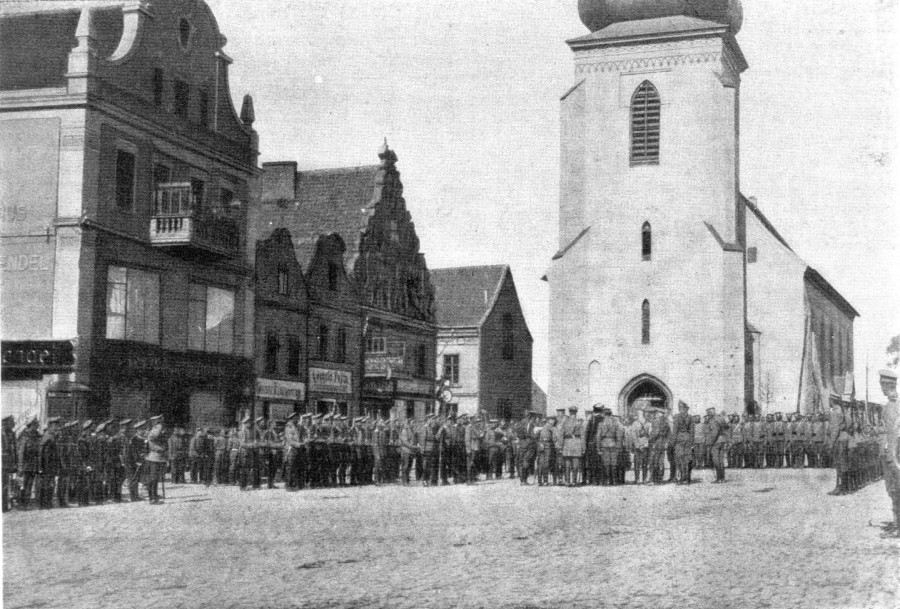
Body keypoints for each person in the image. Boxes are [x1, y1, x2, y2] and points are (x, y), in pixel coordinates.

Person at [878, 369, 900, 537]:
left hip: (894, 455)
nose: (881, 388)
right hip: (894, 453)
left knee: (895, 489)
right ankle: (896, 524)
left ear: (887, 385)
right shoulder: (895, 404)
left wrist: (892, 457)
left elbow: (894, 433)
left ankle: (898, 527)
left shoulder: (892, 406)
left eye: (882, 384)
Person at [36, 417, 61, 509]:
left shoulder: (52, 436)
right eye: (55, 425)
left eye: (57, 425)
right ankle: (44, 504)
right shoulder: (48, 436)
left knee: (50, 484)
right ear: (50, 426)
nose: (57, 427)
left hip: (51, 465)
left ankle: (47, 503)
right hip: (47, 466)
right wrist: (42, 467)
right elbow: (43, 453)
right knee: (46, 484)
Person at [828, 399, 850, 495]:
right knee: (843, 463)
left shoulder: (834, 412)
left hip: (838, 440)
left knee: (839, 463)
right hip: (845, 438)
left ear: (832, 400)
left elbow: (835, 428)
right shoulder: (844, 411)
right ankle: (845, 487)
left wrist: (832, 442)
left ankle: (840, 487)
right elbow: (849, 423)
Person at [143, 415, 167, 504]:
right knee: (153, 478)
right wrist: (160, 427)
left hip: (157, 456)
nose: (160, 422)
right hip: (155, 457)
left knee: (155, 478)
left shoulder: (155, 429)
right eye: (159, 421)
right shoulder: (155, 430)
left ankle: (154, 496)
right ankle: (152, 498)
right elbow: (155, 436)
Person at [17, 418, 41, 508]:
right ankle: (21, 503)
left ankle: (26, 503)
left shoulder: (37, 436)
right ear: (31, 425)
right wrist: (20, 467)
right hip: (25, 465)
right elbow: (21, 453)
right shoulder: (24, 436)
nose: (37, 426)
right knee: (23, 485)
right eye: (35, 424)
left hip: (33, 465)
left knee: (30, 485)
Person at [673, 402, 695, 484]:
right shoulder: (690, 417)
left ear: (680, 408)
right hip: (688, 438)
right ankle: (687, 478)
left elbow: (675, 431)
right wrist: (692, 442)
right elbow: (692, 431)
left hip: (679, 439)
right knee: (687, 459)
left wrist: (673, 443)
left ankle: (682, 478)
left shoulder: (677, 417)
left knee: (680, 459)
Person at [561, 406, 583, 487]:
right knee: (575, 464)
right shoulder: (579, 422)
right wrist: (583, 448)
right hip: (577, 443)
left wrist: (560, 446)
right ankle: (574, 481)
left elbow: (561, 435)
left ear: (569, 413)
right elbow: (583, 436)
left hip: (567, 444)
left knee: (567, 464)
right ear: (576, 413)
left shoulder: (565, 422)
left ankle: (567, 481)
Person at [706, 408, 730, 483]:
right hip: (722, 441)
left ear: (710, 413)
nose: (708, 415)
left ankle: (719, 478)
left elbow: (714, 433)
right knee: (721, 460)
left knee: (716, 460)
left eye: (708, 413)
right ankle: (722, 478)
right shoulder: (721, 418)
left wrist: (710, 443)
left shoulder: (713, 420)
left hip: (716, 442)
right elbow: (727, 426)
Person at [2, 415, 18, 512]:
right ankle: (3, 506)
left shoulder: (10, 433)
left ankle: (4, 505)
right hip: (3, 463)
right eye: (12, 421)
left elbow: (14, 449)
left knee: (6, 485)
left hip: (8, 463)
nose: (13, 423)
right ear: (6, 422)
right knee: (4, 485)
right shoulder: (2, 433)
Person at [629, 411, 650, 484]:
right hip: (645, 446)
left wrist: (637, 445)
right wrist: (646, 444)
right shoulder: (649, 424)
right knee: (645, 463)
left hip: (638, 446)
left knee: (637, 464)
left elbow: (633, 436)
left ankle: (637, 479)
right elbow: (650, 436)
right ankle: (644, 479)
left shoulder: (635, 424)